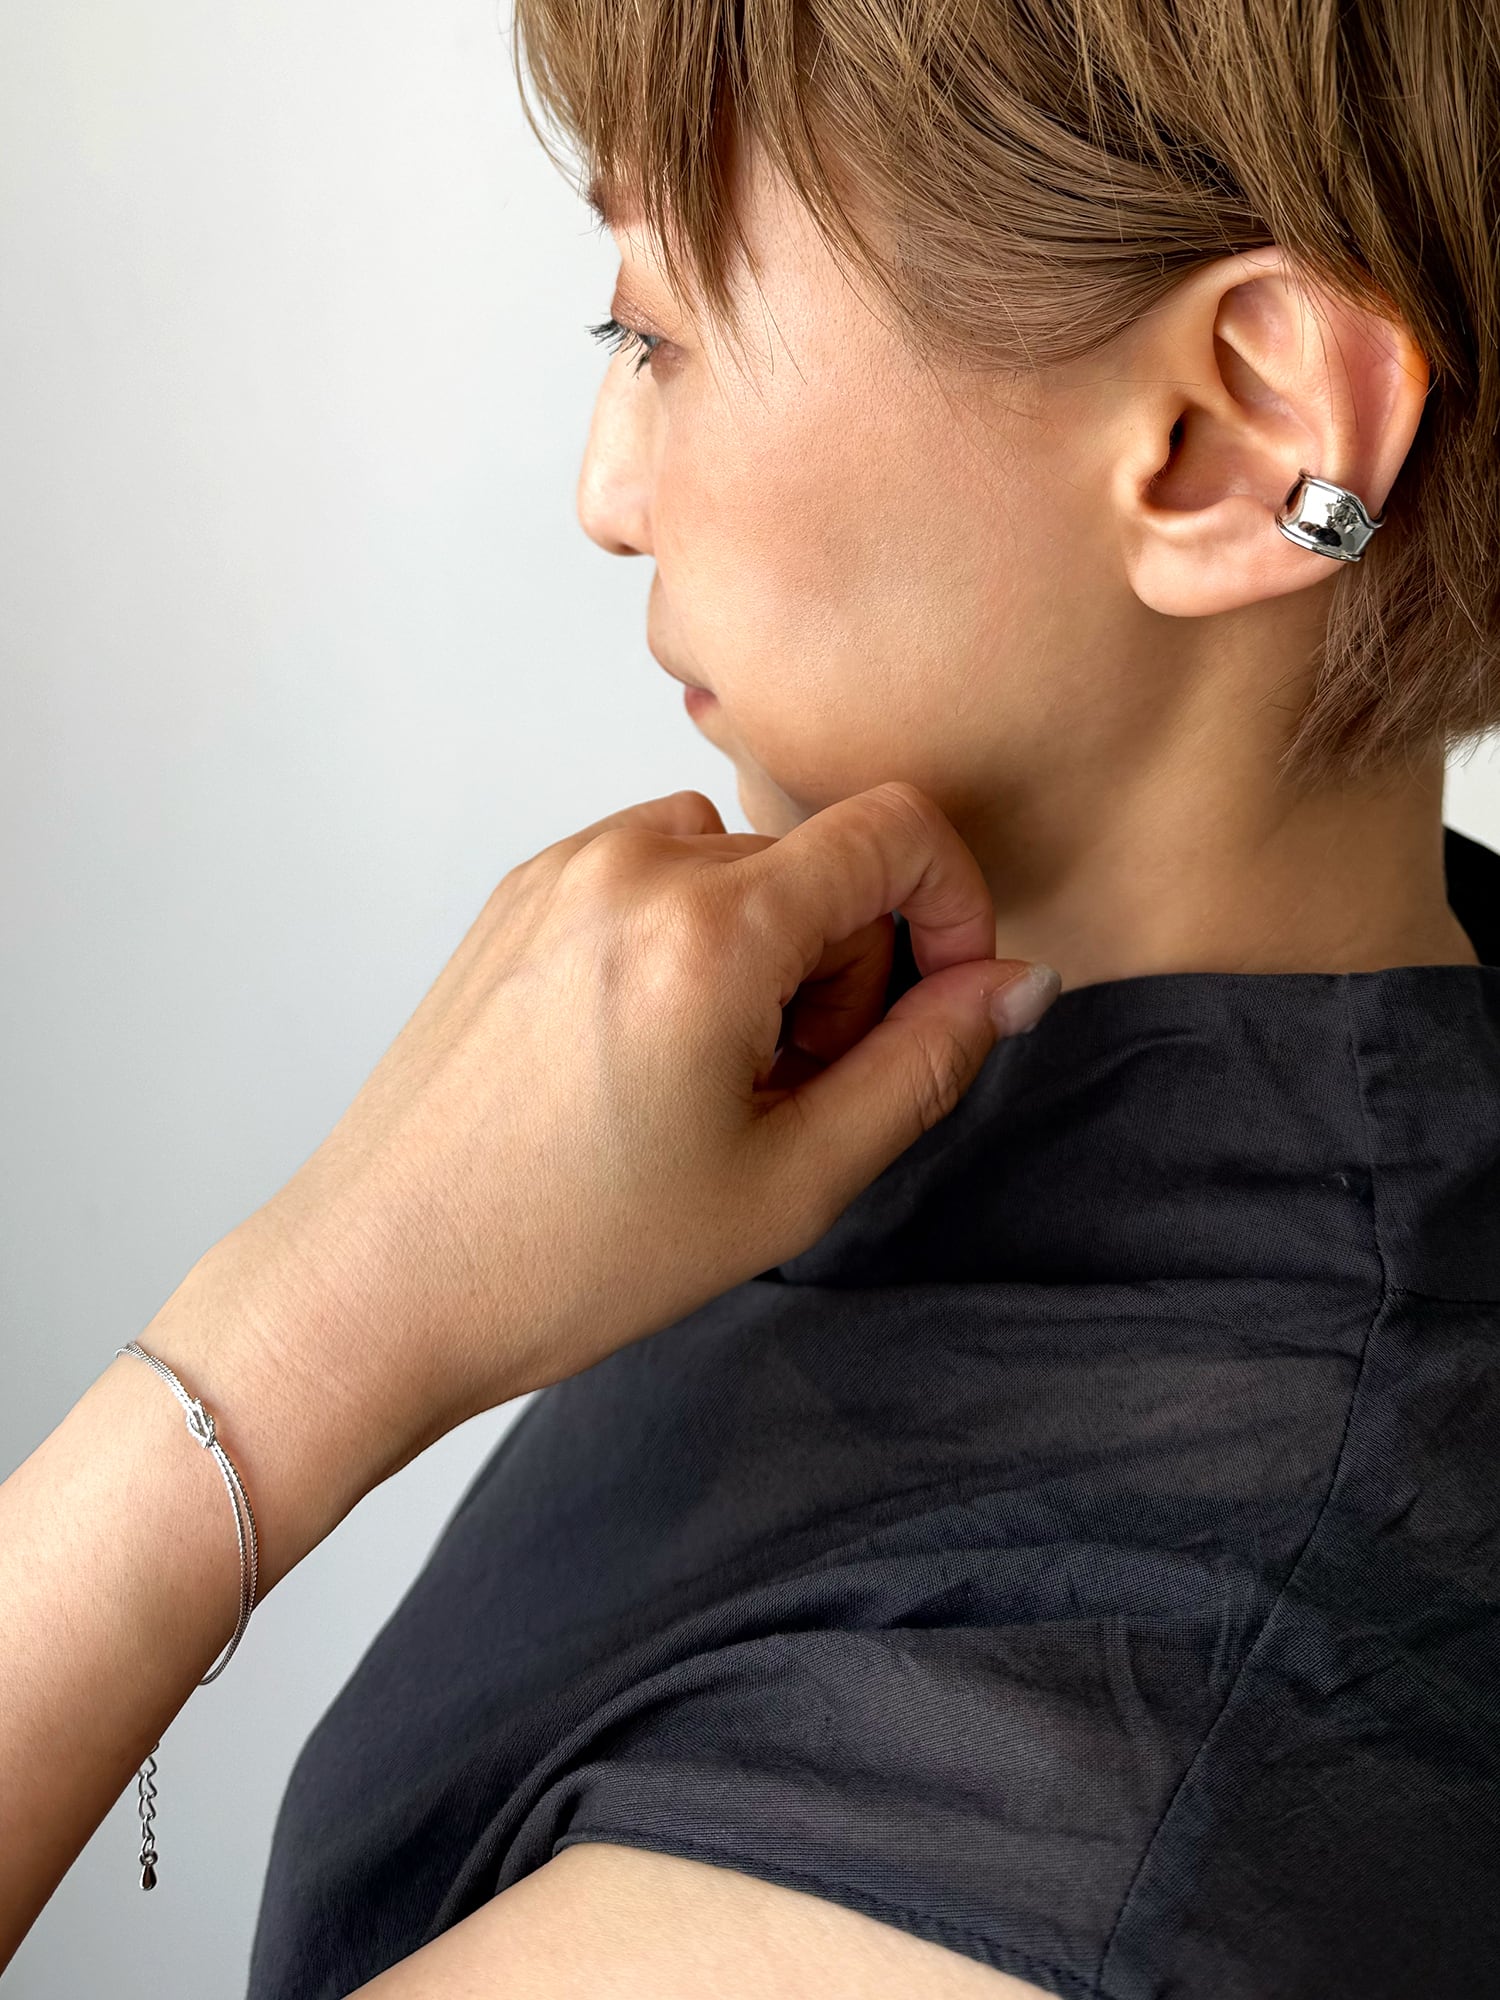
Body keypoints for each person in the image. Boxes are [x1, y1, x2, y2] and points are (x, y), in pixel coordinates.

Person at [3, 2, 1497, 1996]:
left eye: (652, 329)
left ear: (1237, 439)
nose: (605, 487)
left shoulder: (989, 1852)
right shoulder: (1341, 1124)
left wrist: (289, 1341)